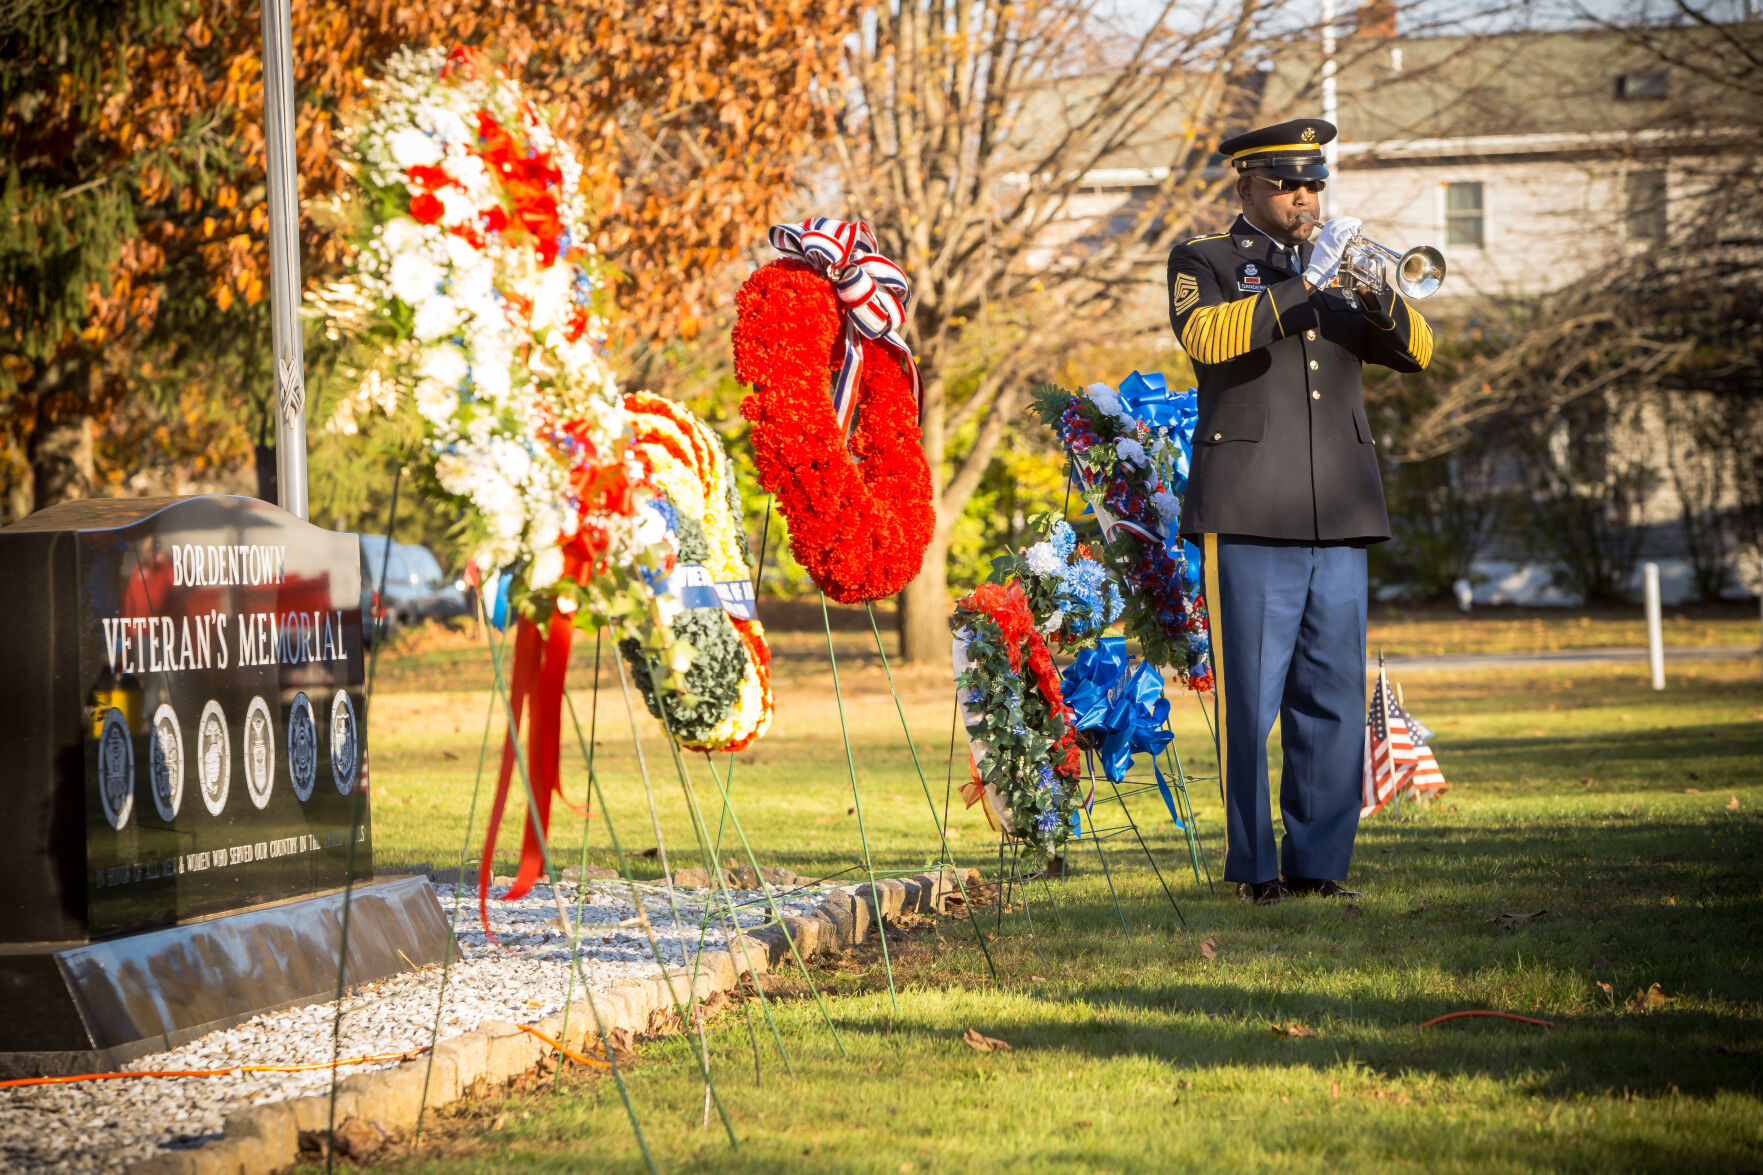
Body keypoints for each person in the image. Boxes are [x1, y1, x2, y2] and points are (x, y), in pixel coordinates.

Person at [1165, 118, 1434, 905]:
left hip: (1339, 513)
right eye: (1287, 184)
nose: (1304, 197)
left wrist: (1373, 289)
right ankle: (1253, 870)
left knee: (1331, 698)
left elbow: (1417, 352)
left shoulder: (1341, 264)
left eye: (1313, 183)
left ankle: (1319, 864)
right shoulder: (1206, 260)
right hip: (1249, 509)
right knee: (1249, 704)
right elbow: (1207, 338)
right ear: (1244, 186)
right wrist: (1303, 285)